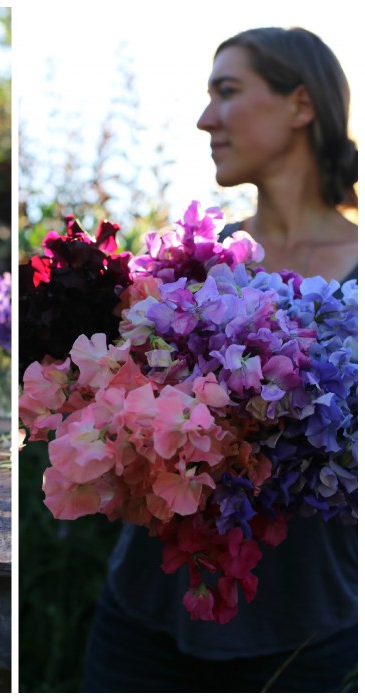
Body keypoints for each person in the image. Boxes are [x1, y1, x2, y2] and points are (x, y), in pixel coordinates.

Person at [83, 27, 358, 693]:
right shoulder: (193, 261)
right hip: (144, 618)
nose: (206, 118)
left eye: (227, 93)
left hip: (313, 639)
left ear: (300, 105)